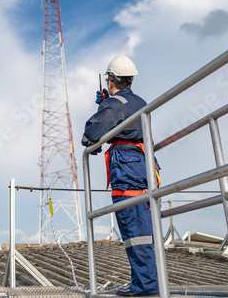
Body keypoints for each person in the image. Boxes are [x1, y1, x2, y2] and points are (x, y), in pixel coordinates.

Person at [82, 56, 159, 296]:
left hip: (127, 167)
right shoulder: (139, 101)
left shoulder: (113, 105)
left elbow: (93, 132)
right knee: (143, 225)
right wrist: (108, 102)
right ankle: (145, 283)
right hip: (144, 164)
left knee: (134, 227)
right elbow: (124, 117)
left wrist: (105, 105)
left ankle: (146, 287)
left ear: (111, 80)